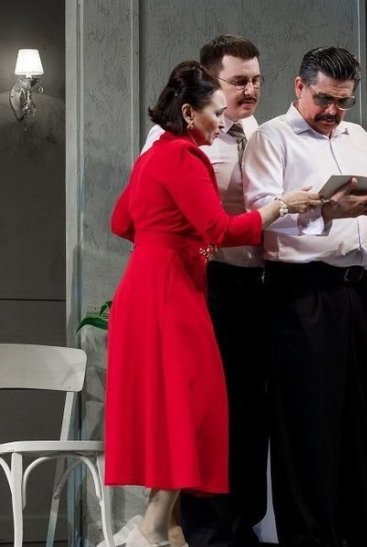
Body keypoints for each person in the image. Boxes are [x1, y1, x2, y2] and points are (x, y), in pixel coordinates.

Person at [106, 60, 320, 547]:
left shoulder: (151, 156)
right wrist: (282, 205)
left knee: (168, 406)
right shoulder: (185, 157)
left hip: (142, 287)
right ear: (189, 112)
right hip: (173, 293)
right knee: (193, 408)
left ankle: (157, 525)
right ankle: (153, 526)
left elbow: (121, 222)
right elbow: (219, 230)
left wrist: (171, 241)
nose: (223, 123)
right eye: (216, 113)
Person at [242, 46, 367, 547]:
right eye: (324, 99)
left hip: (357, 294)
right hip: (300, 293)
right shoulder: (272, 137)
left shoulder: (356, 138)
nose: (333, 111)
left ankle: (361, 535)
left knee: (357, 419)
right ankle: (309, 537)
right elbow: (259, 218)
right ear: (299, 87)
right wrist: (326, 212)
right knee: (307, 424)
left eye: (344, 101)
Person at [141, 34, 272, 547]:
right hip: (208, 282)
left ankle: (245, 524)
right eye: (239, 81)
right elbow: (148, 214)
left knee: (251, 411)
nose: (250, 90)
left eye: (256, 80)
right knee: (208, 412)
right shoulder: (172, 139)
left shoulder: (256, 131)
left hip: (256, 283)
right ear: (210, 82)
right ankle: (207, 530)